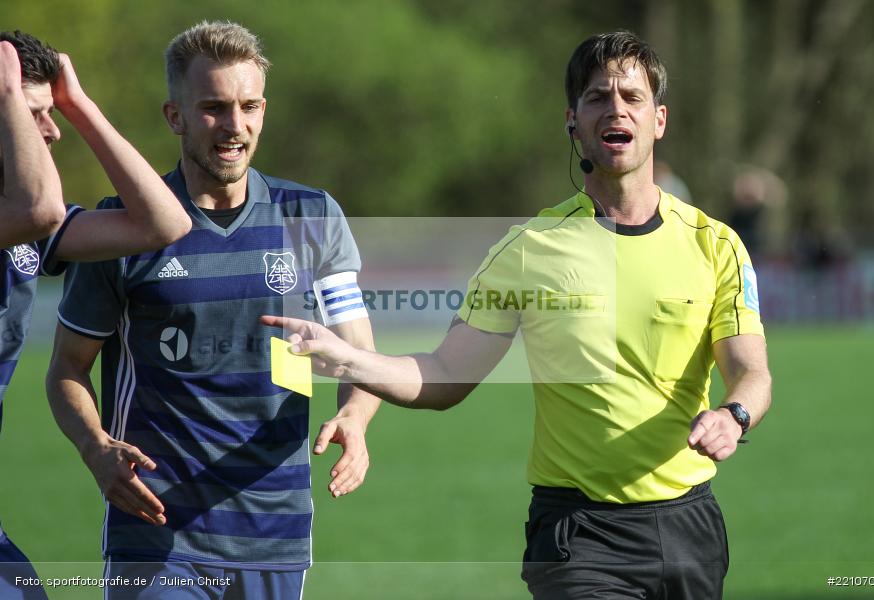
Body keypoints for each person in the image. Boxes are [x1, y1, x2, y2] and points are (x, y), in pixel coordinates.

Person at [262, 30, 772, 600]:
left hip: (690, 527)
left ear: (659, 120)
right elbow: (443, 374)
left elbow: (751, 373)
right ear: (572, 121)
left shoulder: (716, 244)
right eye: (598, 97)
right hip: (580, 534)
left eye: (632, 96)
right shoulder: (529, 248)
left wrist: (735, 416)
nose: (616, 109)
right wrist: (350, 358)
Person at [45, 21, 379, 599]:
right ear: (174, 116)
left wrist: (356, 417)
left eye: (249, 106)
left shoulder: (312, 214)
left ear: (264, 110)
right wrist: (95, 448)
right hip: (154, 529)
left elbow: (359, 353)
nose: (234, 126)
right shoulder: (123, 227)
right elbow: (67, 369)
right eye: (213, 108)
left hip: (275, 527)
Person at [1, 31, 191, 600]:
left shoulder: (31, 230)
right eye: (34, 113)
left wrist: (78, 107)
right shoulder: (31, 216)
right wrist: (9, 88)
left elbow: (163, 224)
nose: (51, 129)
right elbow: (39, 206)